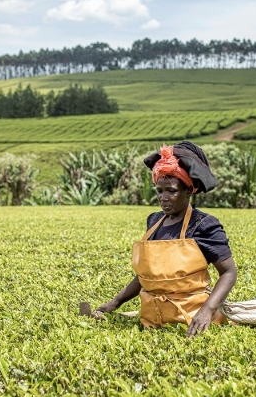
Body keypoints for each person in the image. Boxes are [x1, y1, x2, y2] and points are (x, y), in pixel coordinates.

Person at [93, 141, 236, 338]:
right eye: (160, 191)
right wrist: (114, 303)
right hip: (152, 320)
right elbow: (147, 276)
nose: (164, 197)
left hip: (192, 320)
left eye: (172, 190)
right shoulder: (154, 221)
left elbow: (229, 272)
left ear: (188, 190)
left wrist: (207, 310)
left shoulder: (204, 224)